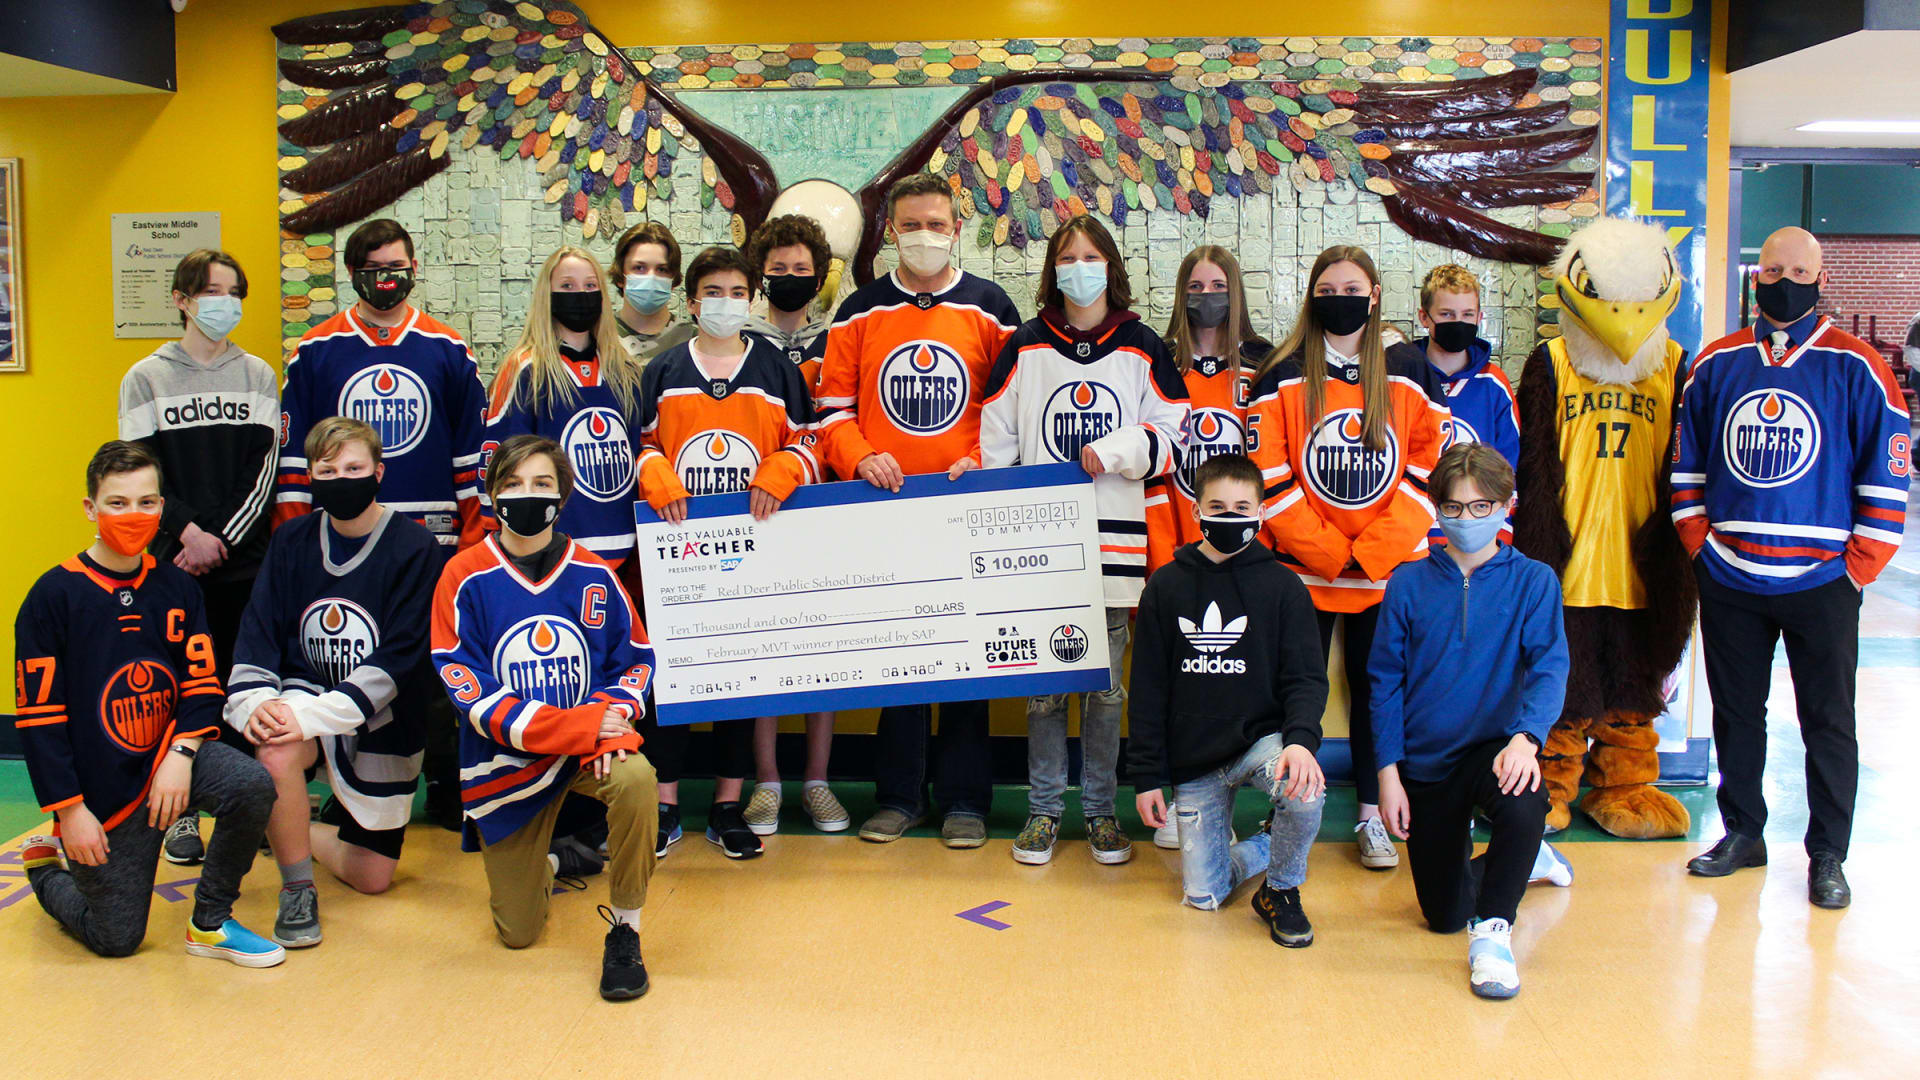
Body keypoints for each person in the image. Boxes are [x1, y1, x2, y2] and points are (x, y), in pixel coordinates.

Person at [1672, 226, 1912, 909]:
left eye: (1799, 272)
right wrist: (1701, 547)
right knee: (1736, 713)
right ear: (1757, 277)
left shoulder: (1859, 366)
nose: (1784, 283)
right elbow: (1687, 466)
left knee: (1828, 721)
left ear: (1821, 278)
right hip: (1731, 574)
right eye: (1773, 270)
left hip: (1823, 579)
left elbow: (1888, 475)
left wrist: (1858, 567)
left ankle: (1828, 854)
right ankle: (1743, 832)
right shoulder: (1716, 363)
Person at [813, 172, 1021, 848]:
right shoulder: (860, 309)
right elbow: (832, 408)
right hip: (887, 511)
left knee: (968, 659)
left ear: (957, 230)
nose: (924, 236)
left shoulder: (991, 307)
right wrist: (858, 457)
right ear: (891, 232)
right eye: (911, 225)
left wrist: (984, 460)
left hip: (967, 512)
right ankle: (899, 796)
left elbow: (1012, 406)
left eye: (936, 224)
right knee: (898, 659)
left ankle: (965, 800)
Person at [15, 441, 282, 966]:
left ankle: (210, 922)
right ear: (90, 508)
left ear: (161, 507)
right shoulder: (52, 596)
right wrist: (71, 812)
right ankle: (45, 867)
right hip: (103, 792)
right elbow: (39, 719)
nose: (133, 514)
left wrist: (181, 755)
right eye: (117, 503)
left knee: (250, 784)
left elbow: (202, 684)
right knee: (115, 938)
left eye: (145, 502)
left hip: (170, 759)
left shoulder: (178, 587)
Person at [981, 214, 1190, 866]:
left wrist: (1117, 449)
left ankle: (1100, 810)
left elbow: (1173, 437)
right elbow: (997, 445)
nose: (1079, 268)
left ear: (1111, 267)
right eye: (1067, 257)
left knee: (1105, 692)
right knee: (1044, 692)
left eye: (1091, 256)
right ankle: (1044, 810)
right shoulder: (1025, 345)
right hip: (1042, 548)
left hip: (1114, 546)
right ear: (1053, 269)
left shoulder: (1141, 345)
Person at [274, 218, 489, 831]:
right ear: (352, 274)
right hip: (344, 541)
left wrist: (474, 539)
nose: (387, 278)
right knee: (347, 656)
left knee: (440, 664)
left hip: (435, 541)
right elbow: (294, 460)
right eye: (373, 270)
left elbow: (472, 455)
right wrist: (296, 542)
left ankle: (446, 781)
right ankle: (342, 781)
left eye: (397, 266)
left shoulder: (448, 349)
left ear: (414, 267)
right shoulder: (315, 350)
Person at [431, 435, 659, 1000]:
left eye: (541, 484)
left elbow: (634, 661)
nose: (526, 495)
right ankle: (553, 860)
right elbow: (470, 693)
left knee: (637, 779)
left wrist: (607, 722)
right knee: (518, 933)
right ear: (492, 493)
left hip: (587, 752)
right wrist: (581, 727)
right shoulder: (463, 577)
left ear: (563, 495)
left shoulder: (593, 574)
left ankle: (626, 930)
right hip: (504, 761)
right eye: (512, 484)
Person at [1247, 244, 1448, 870]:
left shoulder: (1409, 370)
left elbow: (1429, 469)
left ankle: (1372, 815)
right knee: (1293, 694)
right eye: (1328, 290)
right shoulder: (1281, 373)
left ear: (1375, 295)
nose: (1341, 300)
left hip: (1386, 574)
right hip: (1304, 573)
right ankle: (1285, 807)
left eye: (1353, 290)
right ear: (1312, 296)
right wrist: (1330, 551)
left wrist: (1375, 551)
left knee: (1377, 692)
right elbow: (1268, 477)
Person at [223, 418, 438, 948]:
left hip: (382, 716)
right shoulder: (291, 541)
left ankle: (292, 827)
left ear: (378, 473)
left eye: (353, 468)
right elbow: (259, 631)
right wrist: (259, 704)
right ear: (311, 477)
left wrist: (317, 717)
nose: (341, 480)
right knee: (274, 746)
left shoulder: (415, 547)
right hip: (304, 693)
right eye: (328, 471)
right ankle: (297, 888)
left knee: (372, 878)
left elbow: (401, 657)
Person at [635, 245, 819, 860]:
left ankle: (726, 805)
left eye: (738, 292)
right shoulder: (663, 370)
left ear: (752, 299)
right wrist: (653, 469)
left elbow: (809, 442)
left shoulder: (775, 369)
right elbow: (637, 443)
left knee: (740, 680)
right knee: (671, 682)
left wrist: (784, 467)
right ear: (692, 302)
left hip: (754, 555)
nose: (726, 302)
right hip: (679, 556)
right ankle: (665, 804)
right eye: (713, 292)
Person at [1371, 443, 1574, 1000]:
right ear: (1437, 509)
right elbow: (1384, 682)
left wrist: (1527, 739)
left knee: (1524, 797)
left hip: (1497, 749)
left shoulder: (1534, 581)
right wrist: (1387, 774)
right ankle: (1526, 858)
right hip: (1427, 762)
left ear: (1506, 506)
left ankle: (1493, 935)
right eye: (1454, 507)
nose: (1467, 518)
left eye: (1481, 506)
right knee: (1444, 914)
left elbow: (1550, 668)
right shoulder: (1408, 583)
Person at [117, 248, 280, 867]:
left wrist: (219, 541)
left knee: (241, 684)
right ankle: (177, 812)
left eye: (235, 293)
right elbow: (141, 474)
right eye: (213, 291)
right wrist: (186, 534)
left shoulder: (258, 375)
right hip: (172, 563)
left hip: (242, 563)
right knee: (172, 683)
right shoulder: (145, 377)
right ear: (182, 300)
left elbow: (263, 473)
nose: (225, 303)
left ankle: (243, 808)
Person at [1128, 454, 1328, 945]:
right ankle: (1266, 845)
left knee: (1305, 789)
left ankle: (1281, 889)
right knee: (1204, 896)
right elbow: (1148, 688)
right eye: (1217, 507)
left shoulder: (1284, 586)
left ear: (1261, 512)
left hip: (1261, 743)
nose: (1230, 516)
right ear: (1196, 511)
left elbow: (1306, 678)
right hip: (1195, 759)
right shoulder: (1166, 586)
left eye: (1242, 508)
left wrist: (1301, 742)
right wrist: (1147, 777)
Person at [1143, 245, 1271, 851]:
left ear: (1235, 290)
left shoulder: (1264, 365)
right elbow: (1153, 463)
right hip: (1178, 539)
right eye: (1195, 286)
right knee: (1180, 676)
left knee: (1235, 674)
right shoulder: (1160, 361)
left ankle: (1234, 800)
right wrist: (1165, 549)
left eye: (1218, 285)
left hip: (1243, 548)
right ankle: (1182, 794)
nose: (1206, 296)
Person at [741, 213, 848, 835]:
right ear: (761, 275)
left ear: (819, 275)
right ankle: (767, 783)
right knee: (764, 650)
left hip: (823, 512)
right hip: (761, 510)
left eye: (800, 269)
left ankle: (818, 782)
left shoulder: (837, 339)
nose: (788, 276)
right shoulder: (739, 341)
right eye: (777, 268)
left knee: (822, 653)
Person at [486, 245, 647, 567]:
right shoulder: (525, 369)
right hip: (553, 552)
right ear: (547, 295)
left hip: (629, 548)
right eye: (567, 286)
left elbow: (639, 453)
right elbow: (502, 467)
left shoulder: (626, 370)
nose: (581, 295)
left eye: (590, 285)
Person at [1386, 264, 1520, 470]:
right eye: (1447, 314)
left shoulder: (1494, 383)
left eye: (1467, 314)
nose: (1458, 323)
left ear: (1479, 318)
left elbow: (1509, 465)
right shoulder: (1400, 377)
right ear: (1424, 317)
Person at [611, 221, 696, 365]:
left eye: (662, 270)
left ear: (673, 280)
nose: (651, 278)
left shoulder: (693, 340)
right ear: (620, 275)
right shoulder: (599, 335)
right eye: (639, 268)